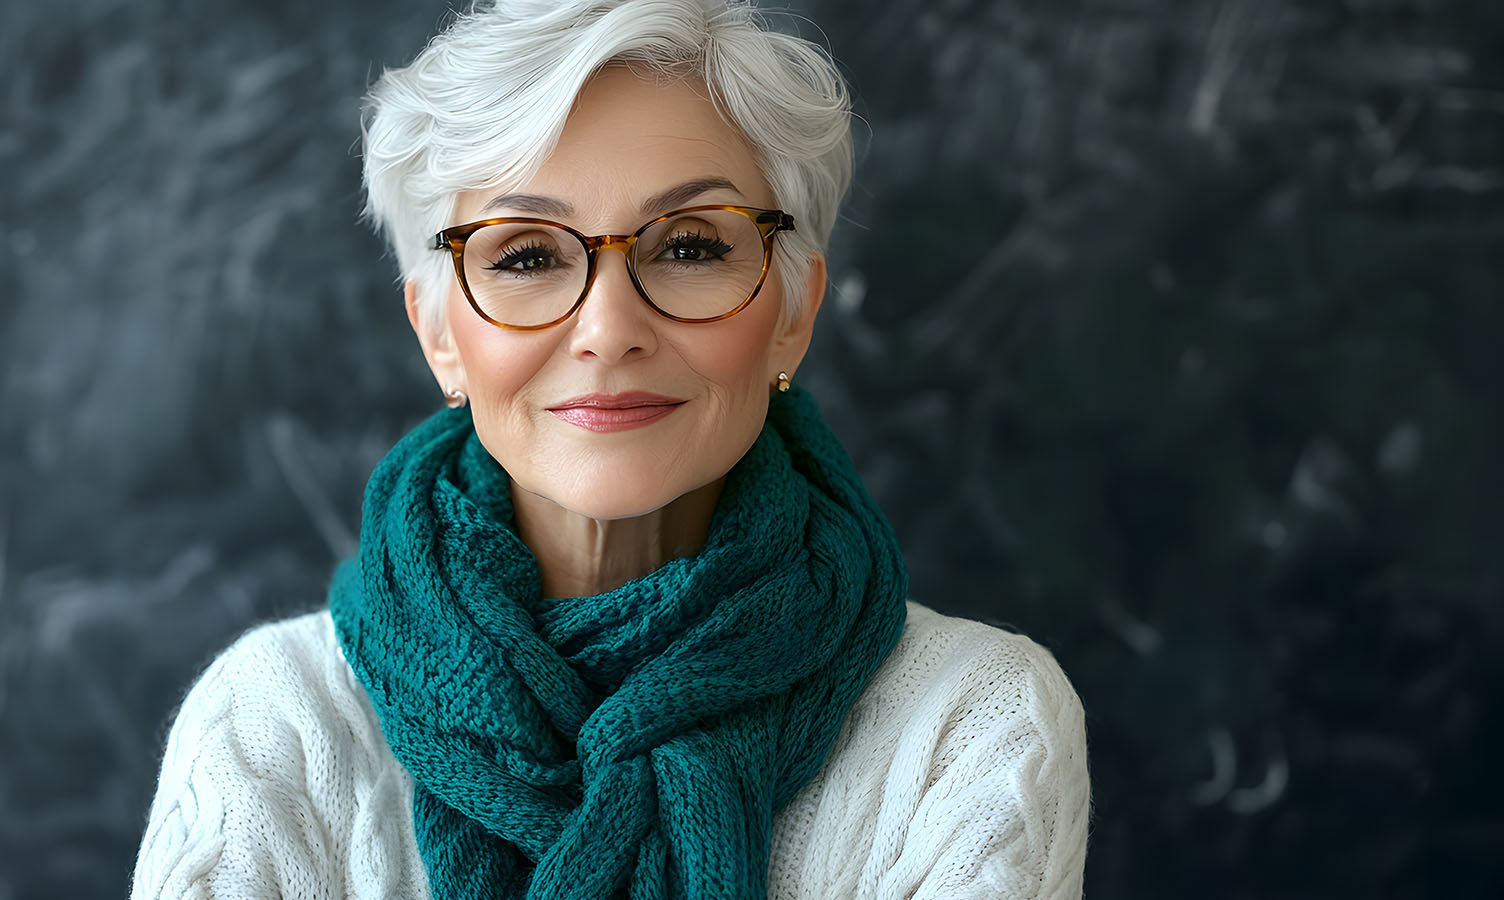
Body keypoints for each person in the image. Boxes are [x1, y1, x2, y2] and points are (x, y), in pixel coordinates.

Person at [130, 1, 1091, 897]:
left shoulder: (971, 726)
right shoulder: (277, 725)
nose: (608, 329)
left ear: (794, 311)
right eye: (527, 255)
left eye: (691, 246)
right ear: (437, 334)